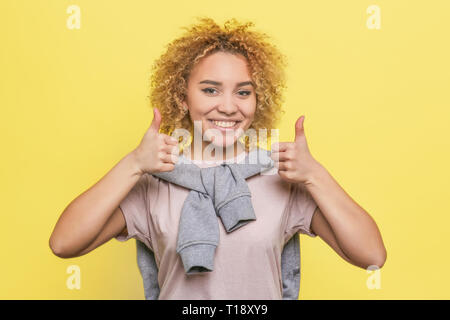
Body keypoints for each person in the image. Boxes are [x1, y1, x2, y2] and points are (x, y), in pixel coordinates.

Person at [49, 17, 387, 299]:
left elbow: (372, 257)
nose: (228, 106)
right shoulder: (153, 181)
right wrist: (133, 164)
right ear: (182, 97)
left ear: (259, 100)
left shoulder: (281, 178)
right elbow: (64, 244)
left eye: (243, 92)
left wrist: (316, 175)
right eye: (210, 90)